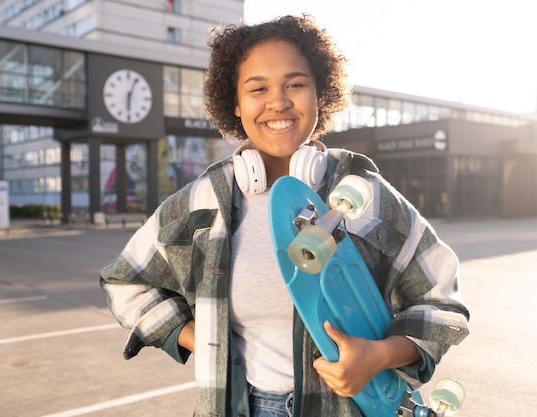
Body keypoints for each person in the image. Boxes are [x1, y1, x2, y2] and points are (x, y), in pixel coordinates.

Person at [100, 15, 470, 417]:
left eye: (295, 84)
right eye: (258, 88)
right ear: (236, 105)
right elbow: (126, 282)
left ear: (320, 94)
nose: (278, 101)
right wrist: (208, 341)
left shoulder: (365, 194)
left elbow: (441, 301)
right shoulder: (205, 200)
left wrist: (377, 357)